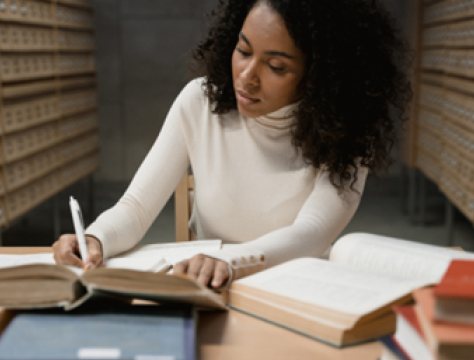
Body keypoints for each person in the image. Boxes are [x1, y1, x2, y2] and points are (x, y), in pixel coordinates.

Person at [53, 0, 411, 289]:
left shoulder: (346, 134)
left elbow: (312, 234)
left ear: (318, 77)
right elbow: (135, 208)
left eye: (275, 66)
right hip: (212, 291)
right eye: (243, 50)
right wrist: (95, 239)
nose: (247, 76)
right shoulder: (200, 103)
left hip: (294, 291)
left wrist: (230, 261)